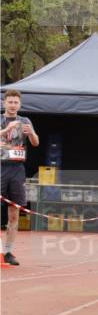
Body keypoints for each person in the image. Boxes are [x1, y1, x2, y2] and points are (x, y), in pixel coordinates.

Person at [1, 89, 39, 266]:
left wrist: (31, 133)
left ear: (20, 104)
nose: (13, 105)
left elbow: (36, 143)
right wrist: (7, 129)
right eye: (10, 102)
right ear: (4, 103)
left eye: (16, 102)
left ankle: (8, 252)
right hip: (1, 167)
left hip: (17, 169)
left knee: (14, 212)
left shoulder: (25, 120)